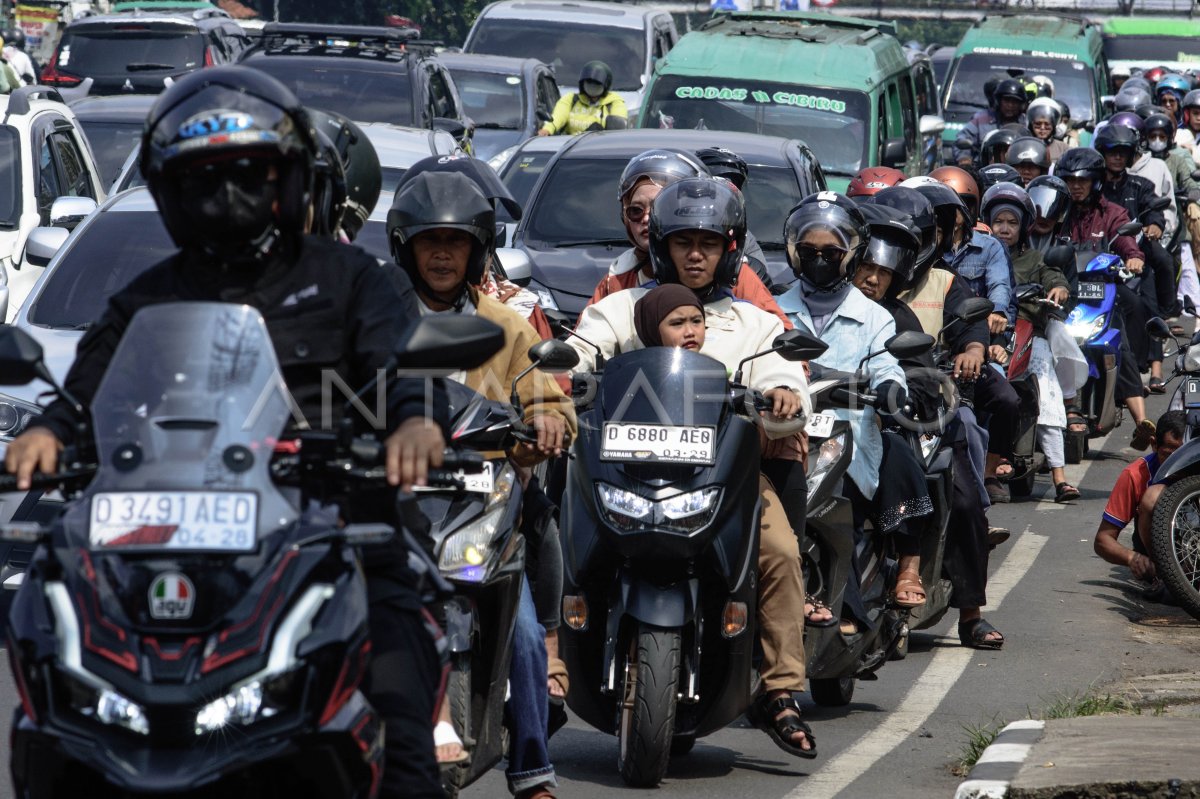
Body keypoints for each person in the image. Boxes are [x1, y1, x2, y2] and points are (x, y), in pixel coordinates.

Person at [2, 66, 451, 799]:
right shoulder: (146, 297)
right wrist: (46, 433)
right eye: (204, 180)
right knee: (55, 700)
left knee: (400, 723)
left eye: (249, 175)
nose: (228, 197)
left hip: (339, 539)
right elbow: (81, 397)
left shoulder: (353, 279)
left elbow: (406, 369)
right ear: (172, 192)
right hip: (166, 553)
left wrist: (414, 425)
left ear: (292, 181)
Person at [569, 176, 819, 758]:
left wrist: (783, 395)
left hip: (724, 483)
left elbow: (782, 373)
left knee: (780, 552)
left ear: (731, 248)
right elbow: (578, 356)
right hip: (621, 478)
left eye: (710, 242)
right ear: (660, 245)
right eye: (684, 241)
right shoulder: (619, 310)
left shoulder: (751, 323)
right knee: (551, 542)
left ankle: (781, 689)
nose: (697, 254)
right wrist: (567, 378)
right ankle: (549, 674)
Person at [387, 171, 576, 799]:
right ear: (404, 247)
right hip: (395, 510)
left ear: (478, 247)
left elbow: (548, 395)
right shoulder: (378, 322)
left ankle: (532, 772)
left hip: (483, 511)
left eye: (456, 241)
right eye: (428, 241)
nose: (441, 254)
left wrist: (548, 418)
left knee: (523, 635)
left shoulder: (508, 327)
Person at [862, 187, 1005, 649]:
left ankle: (970, 614)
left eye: (910, 240)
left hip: (930, 406)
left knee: (963, 499)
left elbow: (973, 326)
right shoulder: (853, 288)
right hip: (861, 409)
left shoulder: (943, 282)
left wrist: (973, 349)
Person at [776, 192, 929, 615]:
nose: (820, 258)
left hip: (849, 447)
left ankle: (850, 612)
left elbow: (888, 365)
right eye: (809, 250)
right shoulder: (773, 309)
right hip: (781, 443)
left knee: (839, 508)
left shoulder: (876, 317)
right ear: (794, 252)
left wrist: (890, 389)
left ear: (850, 255)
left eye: (831, 251)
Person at [588, 148, 788, 325]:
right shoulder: (618, 276)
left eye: (660, 206)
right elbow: (585, 342)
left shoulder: (730, 271)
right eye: (635, 211)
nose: (647, 218)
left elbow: (780, 341)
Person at [982, 182, 1084, 503]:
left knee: (1046, 384)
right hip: (986, 337)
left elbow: (1052, 275)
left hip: (1029, 333)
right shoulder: (979, 254)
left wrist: (1058, 288)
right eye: (999, 221)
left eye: (1012, 223)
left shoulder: (1033, 259)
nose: (1005, 229)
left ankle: (1059, 477)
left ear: (1024, 226)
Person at [1056, 147, 1155, 449]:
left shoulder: (1111, 212)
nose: (1076, 186)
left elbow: (1125, 239)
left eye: (1082, 180)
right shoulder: (1057, 211)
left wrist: (1134, 257)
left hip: (1101, 293)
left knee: (1118, 341)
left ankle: (1142, 424)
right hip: (1064, 292)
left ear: (1096, 181)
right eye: (1070, 180)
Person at [1093, 410, 1186, 594]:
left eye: (1183, 456)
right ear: (1154, 445)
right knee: (1152, 498)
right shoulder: (1135, 474)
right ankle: (1163, 576)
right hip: (1160, 555)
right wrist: (1132, 558)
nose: (1178, 465)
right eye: (1169, 455)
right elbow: (1103, 540)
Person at [537, 60, 627, 136]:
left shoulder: (614, 102)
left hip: (600, 148)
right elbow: (557, 117)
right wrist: (547, 130)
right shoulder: (571, 99)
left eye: (596, 85)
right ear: (582, 83)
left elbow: (617, 129)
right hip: (570, 148)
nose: (592, 87)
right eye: (589, 83)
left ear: (605, 85)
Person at [956, 78, 1029, 165]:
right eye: (1006, 100)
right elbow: (963, 137)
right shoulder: (981, 118)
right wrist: (964, 157)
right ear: (998, 101)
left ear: (1021, 105)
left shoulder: (1026, 123)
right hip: (982, 169)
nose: (1010, 105)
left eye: (1015, 102)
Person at [1026, 174, 1072, 256]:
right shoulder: (1014, 241)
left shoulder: (1066, 247)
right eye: (1039, 208)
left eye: (1055, 211)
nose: (1045, 218)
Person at [1026, 98, 1069, 164]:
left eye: (1047, 124)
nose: (1042, 128)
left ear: (1054, 125)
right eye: (1038, 124)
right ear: (1031, 125)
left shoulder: (1064, 149)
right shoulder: (1024, 146)